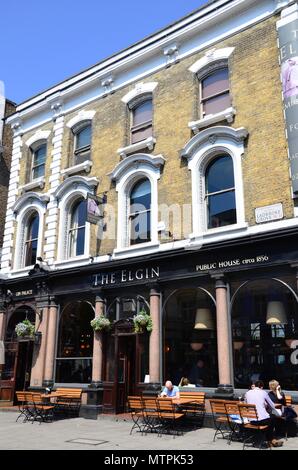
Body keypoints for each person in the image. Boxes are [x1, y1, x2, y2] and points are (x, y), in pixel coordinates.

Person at [245, 380, 284, 447]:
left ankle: (270, 440)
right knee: (272, 418)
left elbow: (246, 404)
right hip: (261, 421)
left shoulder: (247, 393)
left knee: (269, 419)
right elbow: (272, 405)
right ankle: (271, 440)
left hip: (251, 421)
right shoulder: (263, 392)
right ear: (262, 387)